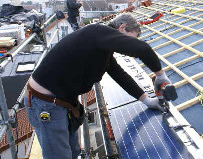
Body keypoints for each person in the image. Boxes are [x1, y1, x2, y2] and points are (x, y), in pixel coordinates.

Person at [24, 13, 171, 159]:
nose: (127, 47)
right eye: (130, 38)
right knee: (59, 156)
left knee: (73, 152)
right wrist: (160, 76)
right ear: (122, 27)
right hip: (45, 103)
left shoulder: (101, 46)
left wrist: (147, 100)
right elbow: (142, 49)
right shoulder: (96, 32)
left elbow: (119, 75)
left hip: (61, 102)